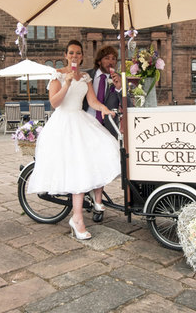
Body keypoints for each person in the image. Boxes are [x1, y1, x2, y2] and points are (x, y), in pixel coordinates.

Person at [26, 40, 119, 240]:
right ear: (65, 55)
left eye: (78, 53)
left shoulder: (85, 76)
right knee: (77, 168)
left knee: (103, 149)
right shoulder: (57, 74)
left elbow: (92, 101)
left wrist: (105, 109)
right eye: (71, 53)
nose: (74, 56)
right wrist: (66, 83)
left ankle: (93, 202)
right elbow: (54, 103)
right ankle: (77, 218)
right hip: (63, 124)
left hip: (80, 120)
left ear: (82, 56)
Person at [82, 45, 126, 137]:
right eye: (107, 58)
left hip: (109, 127)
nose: (111, 62)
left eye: (114, 59)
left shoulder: (120, 79)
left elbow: (127, 106)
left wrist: (120, 88)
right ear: (99, 61)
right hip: (86, 124)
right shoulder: (86, 76)